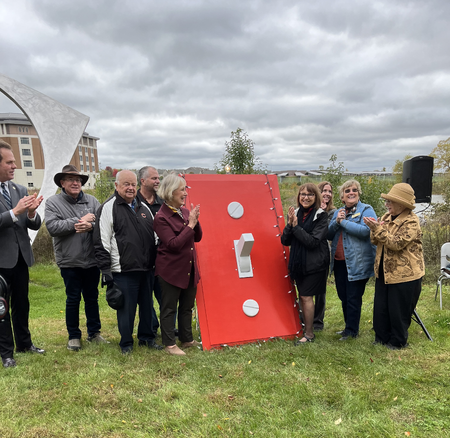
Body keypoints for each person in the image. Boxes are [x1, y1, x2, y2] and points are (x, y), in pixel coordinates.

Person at [94, 170, 162, 354]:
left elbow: (156, 236)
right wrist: (106, 272)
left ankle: (146, 338)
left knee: (147, 307)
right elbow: (102, 242)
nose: (130, 188)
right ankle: (126, 344)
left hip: (147, 268)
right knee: (126, 311)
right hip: (123, 271)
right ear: (116, 186)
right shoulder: (108, 208)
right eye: (126, 184)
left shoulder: (144, 207)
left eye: (133, 184)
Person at [45, 164, 108, 351]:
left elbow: (104, 226)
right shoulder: (53, 203)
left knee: (92, 298)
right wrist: (78, 222)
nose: (75, 182)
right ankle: (73, 336)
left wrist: (91, 227)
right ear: (62, 183)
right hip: (69, 261)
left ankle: (94, 333)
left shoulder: (93, 201)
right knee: (72, 299)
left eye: (78, 180)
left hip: (91, 260)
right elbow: (52, 228)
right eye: (71, 179)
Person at [0, 140, 44, 368]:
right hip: (1, 261)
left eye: (15, 162)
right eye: (9, 162)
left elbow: (33, 225)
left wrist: (32, 213)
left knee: (21, 303)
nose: (14, 166)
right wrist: (14, 211)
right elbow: (8, 217)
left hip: (20, 258)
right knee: (1, 308)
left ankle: (24, 344)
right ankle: (6, 353)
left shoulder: (19, 189)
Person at [364, 183, 424, 349]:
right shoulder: (385, 217)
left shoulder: (411, 221)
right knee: (381, 307)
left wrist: (378, 230)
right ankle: (381, 337)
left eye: (390, 201)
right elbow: (375, 241)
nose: (386, 204)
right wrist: (373, 228)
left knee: (398, 310)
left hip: (405, 274)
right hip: (384, 271)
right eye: (387, 201)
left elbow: (397, 244)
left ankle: (398, 342)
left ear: (402, 203)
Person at [153, 174, 202, 356]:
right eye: (182, 189)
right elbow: (173, 245)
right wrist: (190, 225)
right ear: (171, 191)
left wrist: (195, 221)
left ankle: (186, 339)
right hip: (170, 271)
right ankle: (169, 344)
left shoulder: (185, 212)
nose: (185, 193)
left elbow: (197, 237)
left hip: (188, 269)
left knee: (187, 306)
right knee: (169, 308)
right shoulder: (161, 218)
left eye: (185, 189)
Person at [281, 183, 329, 344]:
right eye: (302, 194)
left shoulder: (321, 215)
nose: (305, 197)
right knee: (302, 296)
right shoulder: (295, 213)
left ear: (316, 197)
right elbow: (285, 240)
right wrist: (289, 225)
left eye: (310, 194)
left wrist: (295, 228)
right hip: (298, 263)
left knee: (306, 296)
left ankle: (309, 334)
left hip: (315, 264)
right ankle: (305, 326)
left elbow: (313, 242)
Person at [328, 179, 376, 340]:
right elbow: (328, 234)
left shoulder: (366, 210)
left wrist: (343, 222)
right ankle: (348, 328)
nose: (351, 193)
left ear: (358, 193)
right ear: (342, 197)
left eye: (354, 190)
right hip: (339, 262)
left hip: (357, 263)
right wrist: (336, 221)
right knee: (343, 296)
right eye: (347, 191)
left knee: (353, 298)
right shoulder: (338, 212)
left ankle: (352, 331)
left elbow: (365, 231)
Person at [137, 166, 164, 338]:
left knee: (166, 298)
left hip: (162, 260)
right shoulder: (133, 202)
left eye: (158, 178)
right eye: (154, 178)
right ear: (143, 181)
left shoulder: (163, 202)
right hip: (142, 260)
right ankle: (152, 326)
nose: (157, 181)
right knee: (146, 299)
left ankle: (169, 328)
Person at [311, 181, 336, 331]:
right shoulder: (308, 210)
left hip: (322, 254)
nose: (327, 193)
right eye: (323, 190)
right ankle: (303, 318)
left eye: (329, 191)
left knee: (320, 290)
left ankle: (318, 321)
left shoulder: (332, 212)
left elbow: (326, 232)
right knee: (306, 289)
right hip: (308, 252)